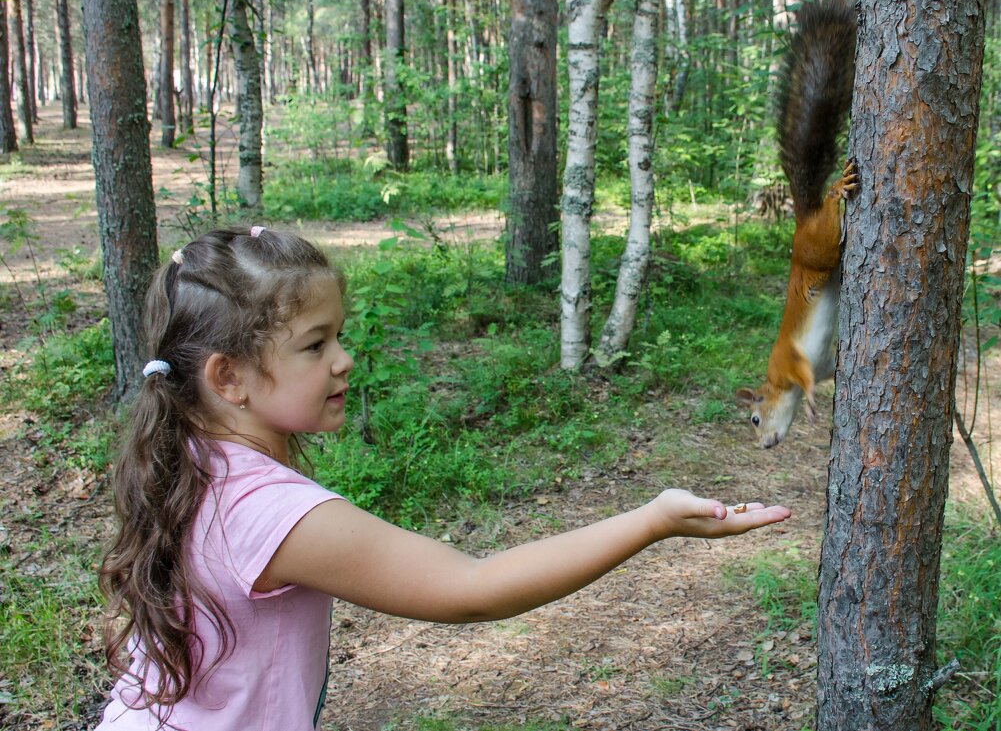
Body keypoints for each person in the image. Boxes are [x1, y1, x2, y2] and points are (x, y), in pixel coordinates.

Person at [96, 225, 792, 730]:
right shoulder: (264, 511)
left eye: (338, 334)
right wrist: (653, 519)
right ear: (228, 376)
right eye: (315, 344)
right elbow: (470, 588)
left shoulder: (183, 447)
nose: (343, 359)